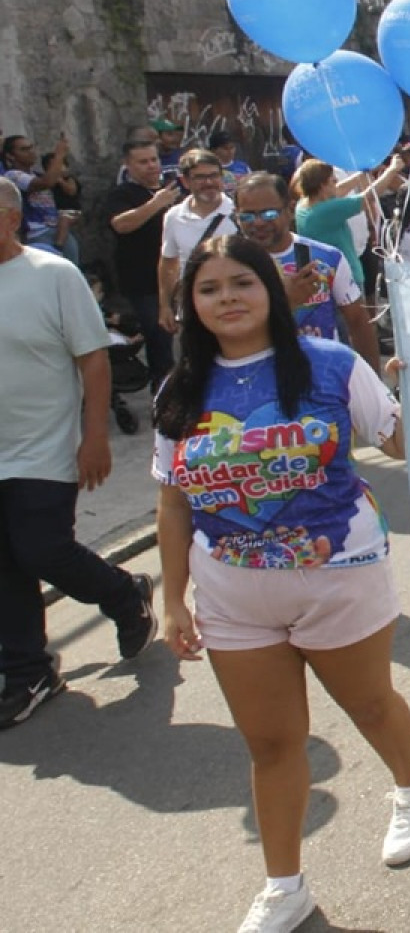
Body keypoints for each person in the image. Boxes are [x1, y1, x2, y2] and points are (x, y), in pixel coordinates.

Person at [153, 236, 410, 932]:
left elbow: (397, 441)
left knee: (371, 707)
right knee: (272, 745)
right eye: (210, 288)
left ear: (271, 292)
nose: (228, 299)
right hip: (233, 594)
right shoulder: (179, 388)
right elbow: (171, 500)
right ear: (191, 304)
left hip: (339, 577)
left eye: (242, 283)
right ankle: (285, 886)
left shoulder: (331, 365)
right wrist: (171, 597)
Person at [0, 178, 156, 729]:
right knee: (6, 564)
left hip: (45, 445)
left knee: (41, 549)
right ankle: (28, 671)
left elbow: (93, 358)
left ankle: (124, 594)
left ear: (11, 219)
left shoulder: (52, 276)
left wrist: (95, 436)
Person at [232, 173, 382, 369]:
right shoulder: (229, 265)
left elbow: (358, 321)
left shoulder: (326, 258)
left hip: (323, 376)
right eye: (248, 216)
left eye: (269, 214)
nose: (258, 223)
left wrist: (373, 383)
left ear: (289, 210)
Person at [103, 138, 181, 385]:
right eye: (143, 162)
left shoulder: (174, 189)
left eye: (154, 159)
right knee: (160, 343)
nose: (150, 166)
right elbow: (121, 224)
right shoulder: (122, 193)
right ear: (128, 165)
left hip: (177, 277)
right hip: (145, 283)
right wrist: (155, 204)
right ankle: (164, 400)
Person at [290, 156, 408, 290]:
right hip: (346, 281)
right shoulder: (325, 210)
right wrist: (392, 170)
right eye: (332, 180)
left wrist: (360, 175)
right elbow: (367, 197)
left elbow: (339, 190)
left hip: (330, 277)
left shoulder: (304, 204)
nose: (336, 180)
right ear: (322, 186)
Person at [158, 149, 239, 333]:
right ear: (185, 181)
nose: (209, 183)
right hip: (193, 308)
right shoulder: (174, 216)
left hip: (234, 305)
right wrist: (165, 306)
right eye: (200, 177)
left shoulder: (239, 213)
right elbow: (168, 263)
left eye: (214, 176)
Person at [2, 131, 76, 261]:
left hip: (58, 231)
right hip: (38, 235)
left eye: (31, 147)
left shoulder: (35, 174)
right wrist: (59, 155)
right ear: (10, 156)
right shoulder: (12, 176)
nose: (31, 152)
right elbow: (46, 183)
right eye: (24, 149)